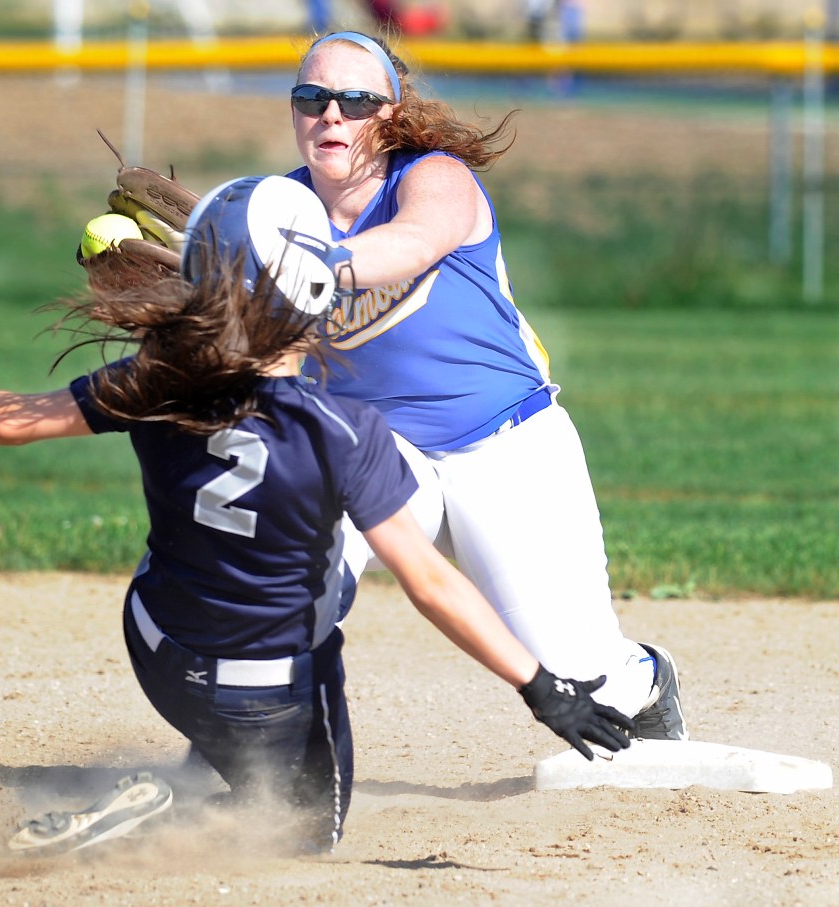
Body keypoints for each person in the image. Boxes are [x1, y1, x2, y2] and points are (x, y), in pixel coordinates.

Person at [0, 175, 634, 856]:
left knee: (197, 586)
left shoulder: (156, 380)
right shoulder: (345, 430)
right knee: (306, 827)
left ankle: (209, 768)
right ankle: (168, 808)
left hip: (158, 649)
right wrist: (542, 687)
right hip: (264, 690)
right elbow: (429, 581)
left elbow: (10, 417)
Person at [284, 31, 688, 741]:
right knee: (292, 578)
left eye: (354, 100)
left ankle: (641, 677)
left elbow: (411, 243)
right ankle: (258, 743)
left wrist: (298, 263)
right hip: (383, 453)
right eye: (312, 98)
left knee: (578, 669)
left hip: (503, 443)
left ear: (391, 113)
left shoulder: (433, 177)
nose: (331, 116)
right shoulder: (277, 211)